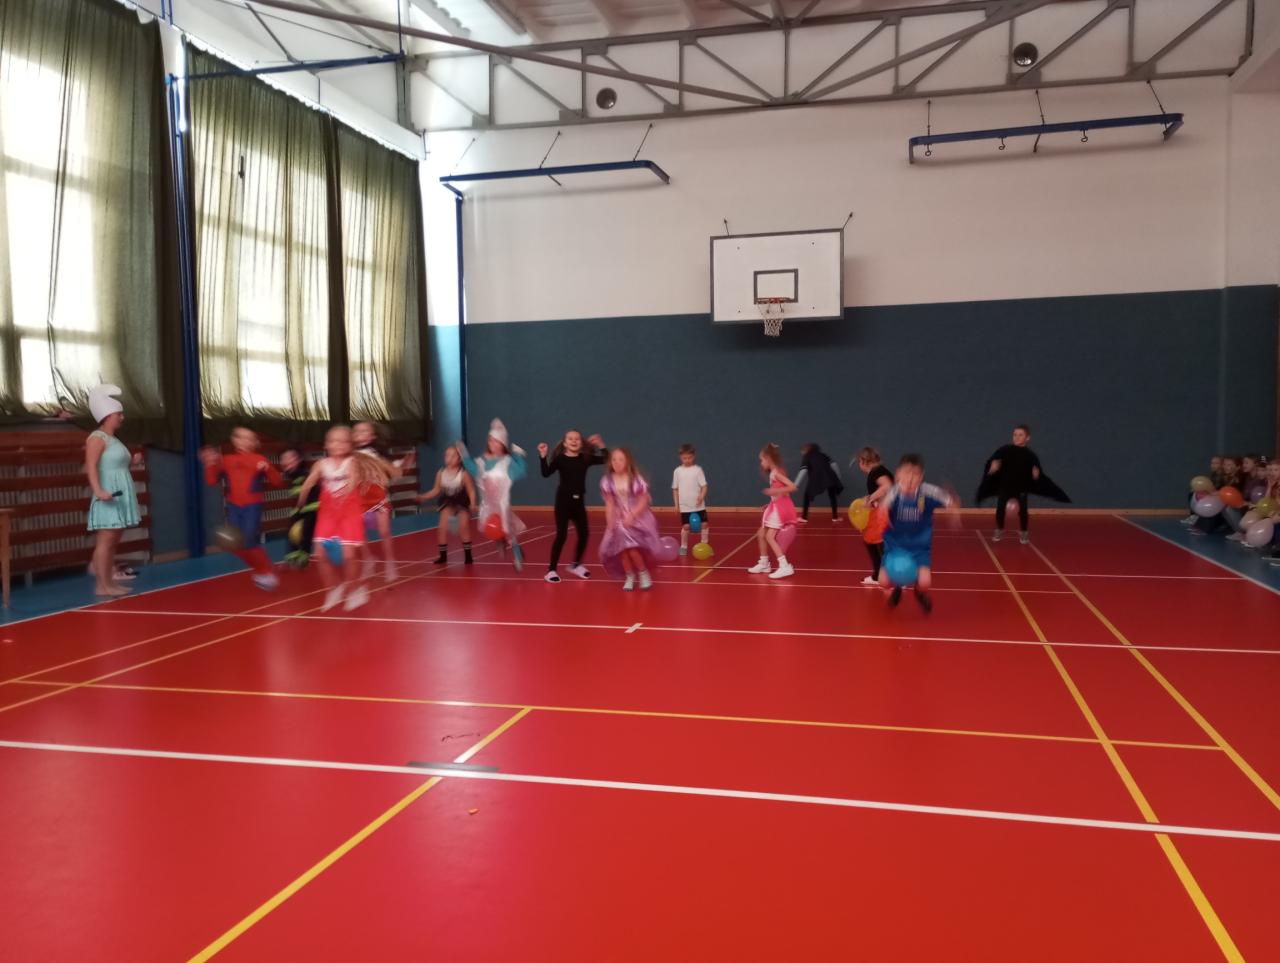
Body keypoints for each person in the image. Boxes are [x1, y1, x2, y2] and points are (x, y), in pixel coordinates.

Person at [296, 425, 393, 611]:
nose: (338, 444)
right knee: (319, 554)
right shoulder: (321, 465)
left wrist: (343, 498)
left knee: (349, 555)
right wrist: (301, 500)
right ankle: (334, 588)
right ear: (326, 444)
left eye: (343, 441)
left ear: (350, 445)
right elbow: (309, 482)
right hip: (328, 514)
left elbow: (353, 482)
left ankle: (356, 589)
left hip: (349, 513)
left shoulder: (353, 463)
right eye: (333, 441)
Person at [200, 427, 285, 591]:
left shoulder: (260, 459)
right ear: (234, 440)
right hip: (234, 507)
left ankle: (266, 570)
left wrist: (267, 468)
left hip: (252, 507)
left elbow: (278, 482)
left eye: (248, 438)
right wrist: (209, 463)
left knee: (249, 541)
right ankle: (263, 569)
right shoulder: (226, 460)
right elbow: (211, 481)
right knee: (235, 544)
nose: (244, 440)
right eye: (240, 437)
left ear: (254, 443)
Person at [878, 453, 956, 614]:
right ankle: (898, 587)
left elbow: (950, 501)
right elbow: (883, 506)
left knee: (925, 582)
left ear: (921, 477)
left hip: (919, 547)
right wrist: (881, 512)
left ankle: (919, 593)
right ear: (898, 475)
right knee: (883, 582)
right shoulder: (893, 493)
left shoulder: (928, 492)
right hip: (895, 546)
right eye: (906, 473)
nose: (910, 479)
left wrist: (953, 507)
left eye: (915, 475)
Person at [84, 384, 142, 598]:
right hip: (108, 493)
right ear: (108, 416)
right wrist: (98, 490)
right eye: (119, 414)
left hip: (119, 492)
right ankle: (102, 585)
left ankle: (108, 582)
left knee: (113, 541)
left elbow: (114, 464)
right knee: (106, 541)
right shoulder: (97, 438)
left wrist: (132, 461)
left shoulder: (113, 439)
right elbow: (91, 466)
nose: (122, 418)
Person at [977, 424, 1069, 544]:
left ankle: (1024, 532)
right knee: (1000, 508)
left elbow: (1037, 469)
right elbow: (995, 458)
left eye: (1020, 435)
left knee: (1023, 511)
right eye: (1015, 434)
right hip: (1005, 486)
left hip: (1021, 487)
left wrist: (1036, 473)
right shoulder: (1005, 449)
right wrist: (993, 464)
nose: (1016, 437)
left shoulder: (1030, 455)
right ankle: (999, 529)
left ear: (1027, 438)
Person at [457, 419, 527, 571]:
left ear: (502, 444)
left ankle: (518, 556)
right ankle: (499, 540)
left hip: (502, 503)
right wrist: (463, 453)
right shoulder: (481, 462)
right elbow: (473, 469)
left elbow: (521, 471)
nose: (493, 444)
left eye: (496, 441)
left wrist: (518, 455)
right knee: (489, 527)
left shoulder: (507, 462)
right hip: (487, 504)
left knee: (508, 530)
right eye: (490, 440)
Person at [538, 429, 607, 582]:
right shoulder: (560, 459)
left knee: (584, 534)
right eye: (570, 439)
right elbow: (546, 473)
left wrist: (601, 445)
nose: (574, 441)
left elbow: (606, 459)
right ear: (565, 443)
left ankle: (576, 565)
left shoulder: (585, 458)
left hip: (578, 503)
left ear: (581, 443)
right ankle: (551, 571)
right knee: (561, 535)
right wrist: (543, 456)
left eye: (577, 439)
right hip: (563, 502)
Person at [353, 421, 410, 582]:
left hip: (378, 498)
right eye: (358, 432)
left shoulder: (378, 456)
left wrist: (399, 466)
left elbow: (394, 473)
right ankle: (368, 559)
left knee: (384, 532)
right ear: (353, 437)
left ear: (372, 436)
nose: (361, 434)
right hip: (360, 500)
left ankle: (390, 563)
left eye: (365, 431)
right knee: (358, 533)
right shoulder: (351, 456)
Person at [599, 447, 663, 591]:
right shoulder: (607, 481)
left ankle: (643, 573)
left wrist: (632, 515)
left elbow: (643, 500)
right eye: (614, 460)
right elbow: (610, 503)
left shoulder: (635, 479)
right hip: (618, 518)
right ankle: (629, 575)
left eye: (621, 459)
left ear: (627, 461)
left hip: (636, 516)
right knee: (621, 549)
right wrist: (610, 522)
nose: (617, 462)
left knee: (632, 548)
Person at [418, 445, 476, 566]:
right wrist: (424, 496)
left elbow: (471, 490)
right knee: (442, 527)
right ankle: (443, 556)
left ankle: (468, 555)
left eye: (453, 456)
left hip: (461, 502)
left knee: (463, 527)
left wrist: (472, 504)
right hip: (447, 502)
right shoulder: (441, 473)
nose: (449, 458)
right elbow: (436, 490)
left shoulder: (463, 474)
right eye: (447, 455)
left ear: (459, 459)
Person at [746, 443, 798, 580]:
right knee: (761, 533)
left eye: (762, 460)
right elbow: (781, 493)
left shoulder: (776, 473)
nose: (761, 463)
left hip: (781, 509)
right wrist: (771, 500)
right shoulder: (774, 472)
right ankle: (764, 563)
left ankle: (784, 566)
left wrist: (775, 491)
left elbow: (793, 487)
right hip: (775, 506)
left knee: (769, 536)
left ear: (768, 458)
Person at [856, 447, 893, 585]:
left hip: (885, 512)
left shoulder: (876, 472)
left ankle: (889, 576)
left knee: (879, 542)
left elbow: (887, 486)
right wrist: (870, 499)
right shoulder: (879, 470)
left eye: (859, 462)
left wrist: (871, 498)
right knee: (872, 541)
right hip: (883, 510)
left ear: (863, 461)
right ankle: (879, 575)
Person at [281, 446, 320, 568]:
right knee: (291, 531)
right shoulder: (291, 475)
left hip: (312, 507)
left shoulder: (304, 473)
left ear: (298, 460)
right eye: (284, 458)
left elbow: (306, 490)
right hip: (302, 507)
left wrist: (299, 507)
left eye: (290, 457)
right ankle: (291, 556)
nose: (287, 460)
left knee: (306, 531)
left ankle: (304, 556)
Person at [672, 443, 709, 556]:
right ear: (680, 457)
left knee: (704, 524)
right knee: (686, 526)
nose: (687, 460)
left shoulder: (698, 470)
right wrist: (676, 505)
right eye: (684, 458)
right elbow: (675, 489)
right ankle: (683, 546)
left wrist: (701, 496)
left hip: (699, 505)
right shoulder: (677, 471)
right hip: (685, 506)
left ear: (694, 456)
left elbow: (704, 486)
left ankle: (705, 545)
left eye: (689, 457)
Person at [799, 443, 843, 522]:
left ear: (805, 450)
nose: (802, 453)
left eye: (802, 451)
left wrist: (796, 484)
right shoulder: (823, 455)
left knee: (806, 496)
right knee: (832, 496)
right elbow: (834, 465)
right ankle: (835, 517)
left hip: (817, 478)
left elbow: (803, 470)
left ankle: (804, 518)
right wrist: (838, 477)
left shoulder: (807, 456)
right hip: (830, 477)